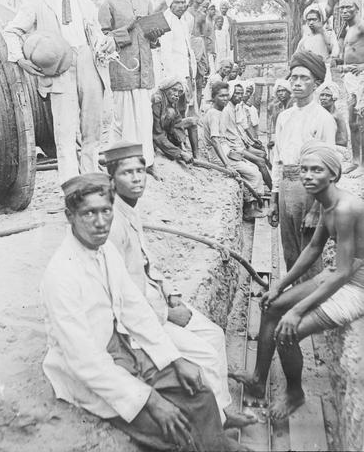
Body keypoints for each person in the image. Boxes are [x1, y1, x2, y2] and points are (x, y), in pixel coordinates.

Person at [41, 172, 235, 451]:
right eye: (88, 213)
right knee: (173, 432)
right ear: (69, 215)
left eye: (106, 210)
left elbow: (135, 310)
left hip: (124, 351)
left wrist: (174, 358)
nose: (100, 222)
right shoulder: (61, 275)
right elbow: (85, 361)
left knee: (200, 393)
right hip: (92, 373)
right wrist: (151, 400)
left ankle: (219, 445)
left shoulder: (106, 251)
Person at [104, 142, 257, 443]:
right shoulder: (112, 224)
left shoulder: (130, 210)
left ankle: (223, 409)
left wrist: (170, 291)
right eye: (127, 173)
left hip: (157, 302)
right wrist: (166, 313)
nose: (136, 178)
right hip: (140, 322)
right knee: (205, 353)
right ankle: (217, 425)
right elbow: (121, 296)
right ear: (112, 180)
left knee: (213, 334)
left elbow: (146, 263)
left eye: (139, 171)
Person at [230, 141, 364, 420]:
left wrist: (297, 310)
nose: (308, 176)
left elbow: (341, 273)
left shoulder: (344, 208)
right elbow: (315, 248)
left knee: (286, 331)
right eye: (304, 170)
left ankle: (294, 393)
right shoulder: (326, 201)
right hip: (344, 271)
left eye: (317, 170)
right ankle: (258, 379)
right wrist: (279, 284)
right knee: (271, 306)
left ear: (333, 175)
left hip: (357, 285)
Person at [4, 0, 115, 183]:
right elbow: (12, 31)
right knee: (64, 134)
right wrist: (20, 59)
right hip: (59, 69)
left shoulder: (85, 2)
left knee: (92, 131)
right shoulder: (38, 0)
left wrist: (106, 43)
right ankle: (72, 189)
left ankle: (92, 181)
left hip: (88, 65)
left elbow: (96, 36)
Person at [269, 51, 336, 273]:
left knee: (309, 253)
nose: (297, 83)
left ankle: (310, 305)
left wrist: (318, 208)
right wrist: (274, 198)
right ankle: (293, 299)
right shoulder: (284, 117)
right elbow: (278, 160)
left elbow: (331, 170)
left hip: (311, 189)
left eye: (304, 78)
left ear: (316, 83)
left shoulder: (323, 119)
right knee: (290, 252)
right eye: (294, 77)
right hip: (287, 186)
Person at [98, 0, 164, 175]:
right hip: (123, 68)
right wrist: (127, 29)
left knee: (144, 118)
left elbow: (151, 38)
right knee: (124, 119)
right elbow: (103, 39)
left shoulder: (146, 2)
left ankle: (148, 162)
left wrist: (154, 34)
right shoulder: (109, 2)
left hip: (144, 69)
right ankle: (124, 164)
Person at [203, 81, 265, 220]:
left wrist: (234, 155)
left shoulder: (220, 112)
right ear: (213, 97)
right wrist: (227, 164)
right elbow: (215, 141)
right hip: (217, 157)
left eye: (226, 95)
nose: (225, 98)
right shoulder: (213, 114)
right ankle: (249, 208)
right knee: (254, 174)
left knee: (253, 166)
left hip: (226, 152)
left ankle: (253, 203)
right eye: (221, 96)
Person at [222, 81, 272, 191]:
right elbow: (222, 135)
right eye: (236, 93)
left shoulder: (236, 107)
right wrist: (230, 151)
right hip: (234, 147)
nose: (239, 96)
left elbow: (241, 128)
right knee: (261, 161)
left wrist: (250, 140)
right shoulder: (226, 110)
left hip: (240, 143)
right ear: (231, 93)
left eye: (241, 93)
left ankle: (270, 184)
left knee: (262, 155)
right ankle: (273, 191)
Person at [158, 0, 197, 111]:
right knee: (172, 108)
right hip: (173, 72)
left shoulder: (183, 21)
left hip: (185, 69)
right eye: (177, 2)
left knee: (184, 106)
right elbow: (165, 52)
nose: (181, 5)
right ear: (170, 3)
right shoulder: (167, 20)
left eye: (183, 2)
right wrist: (172, 77)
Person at [338, 0, 364, 176]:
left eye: (349, 7)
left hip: (362, 77)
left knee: (361, 120)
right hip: (349, 79)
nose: (345, 10)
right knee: (352, 122)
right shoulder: (347, 28)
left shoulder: (362, 25)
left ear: (357, 7)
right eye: (342, 8)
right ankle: (355, 160)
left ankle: (362, 164)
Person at [151, 77, 198, 163]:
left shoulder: (172, 98)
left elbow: (177, 122)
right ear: (166, 88)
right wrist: (179, 153)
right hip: (156, 134)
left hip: (168, 130)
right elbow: (157, 134)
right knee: (170, 112)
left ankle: (196, 157)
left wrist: (181, 142)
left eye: (179, 91)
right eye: (174, 90)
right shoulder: (157, 100)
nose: (176, 94)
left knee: (192, 121)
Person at [183, 0, 209, 108]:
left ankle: (197, 112)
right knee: (187, 81)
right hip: (187, 48)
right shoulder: (184, 12)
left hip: (199, 49)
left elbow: (203, 37)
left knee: (199, 82)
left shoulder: (203, 15)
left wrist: (206, 58)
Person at [317, 82, 348, 148]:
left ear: (334, 98)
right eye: (322, 95)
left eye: (327, 95)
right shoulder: (318, 114)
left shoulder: (336, 116)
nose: (323, 98)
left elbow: (343, 140)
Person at [267, 79, 293, 151]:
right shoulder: (279, 107)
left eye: (283, 90)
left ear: (289, 91)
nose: (281, 93)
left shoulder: (293, 106)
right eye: (278, 91)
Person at [205, 3, 217, 76]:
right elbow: (205, 38)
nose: (213, 11)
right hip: (208, 51)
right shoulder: (206, 22)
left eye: (214, 9)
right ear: (207, 10)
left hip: (212, 51)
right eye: (211, 9)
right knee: (211, 73)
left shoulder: (212, 22)